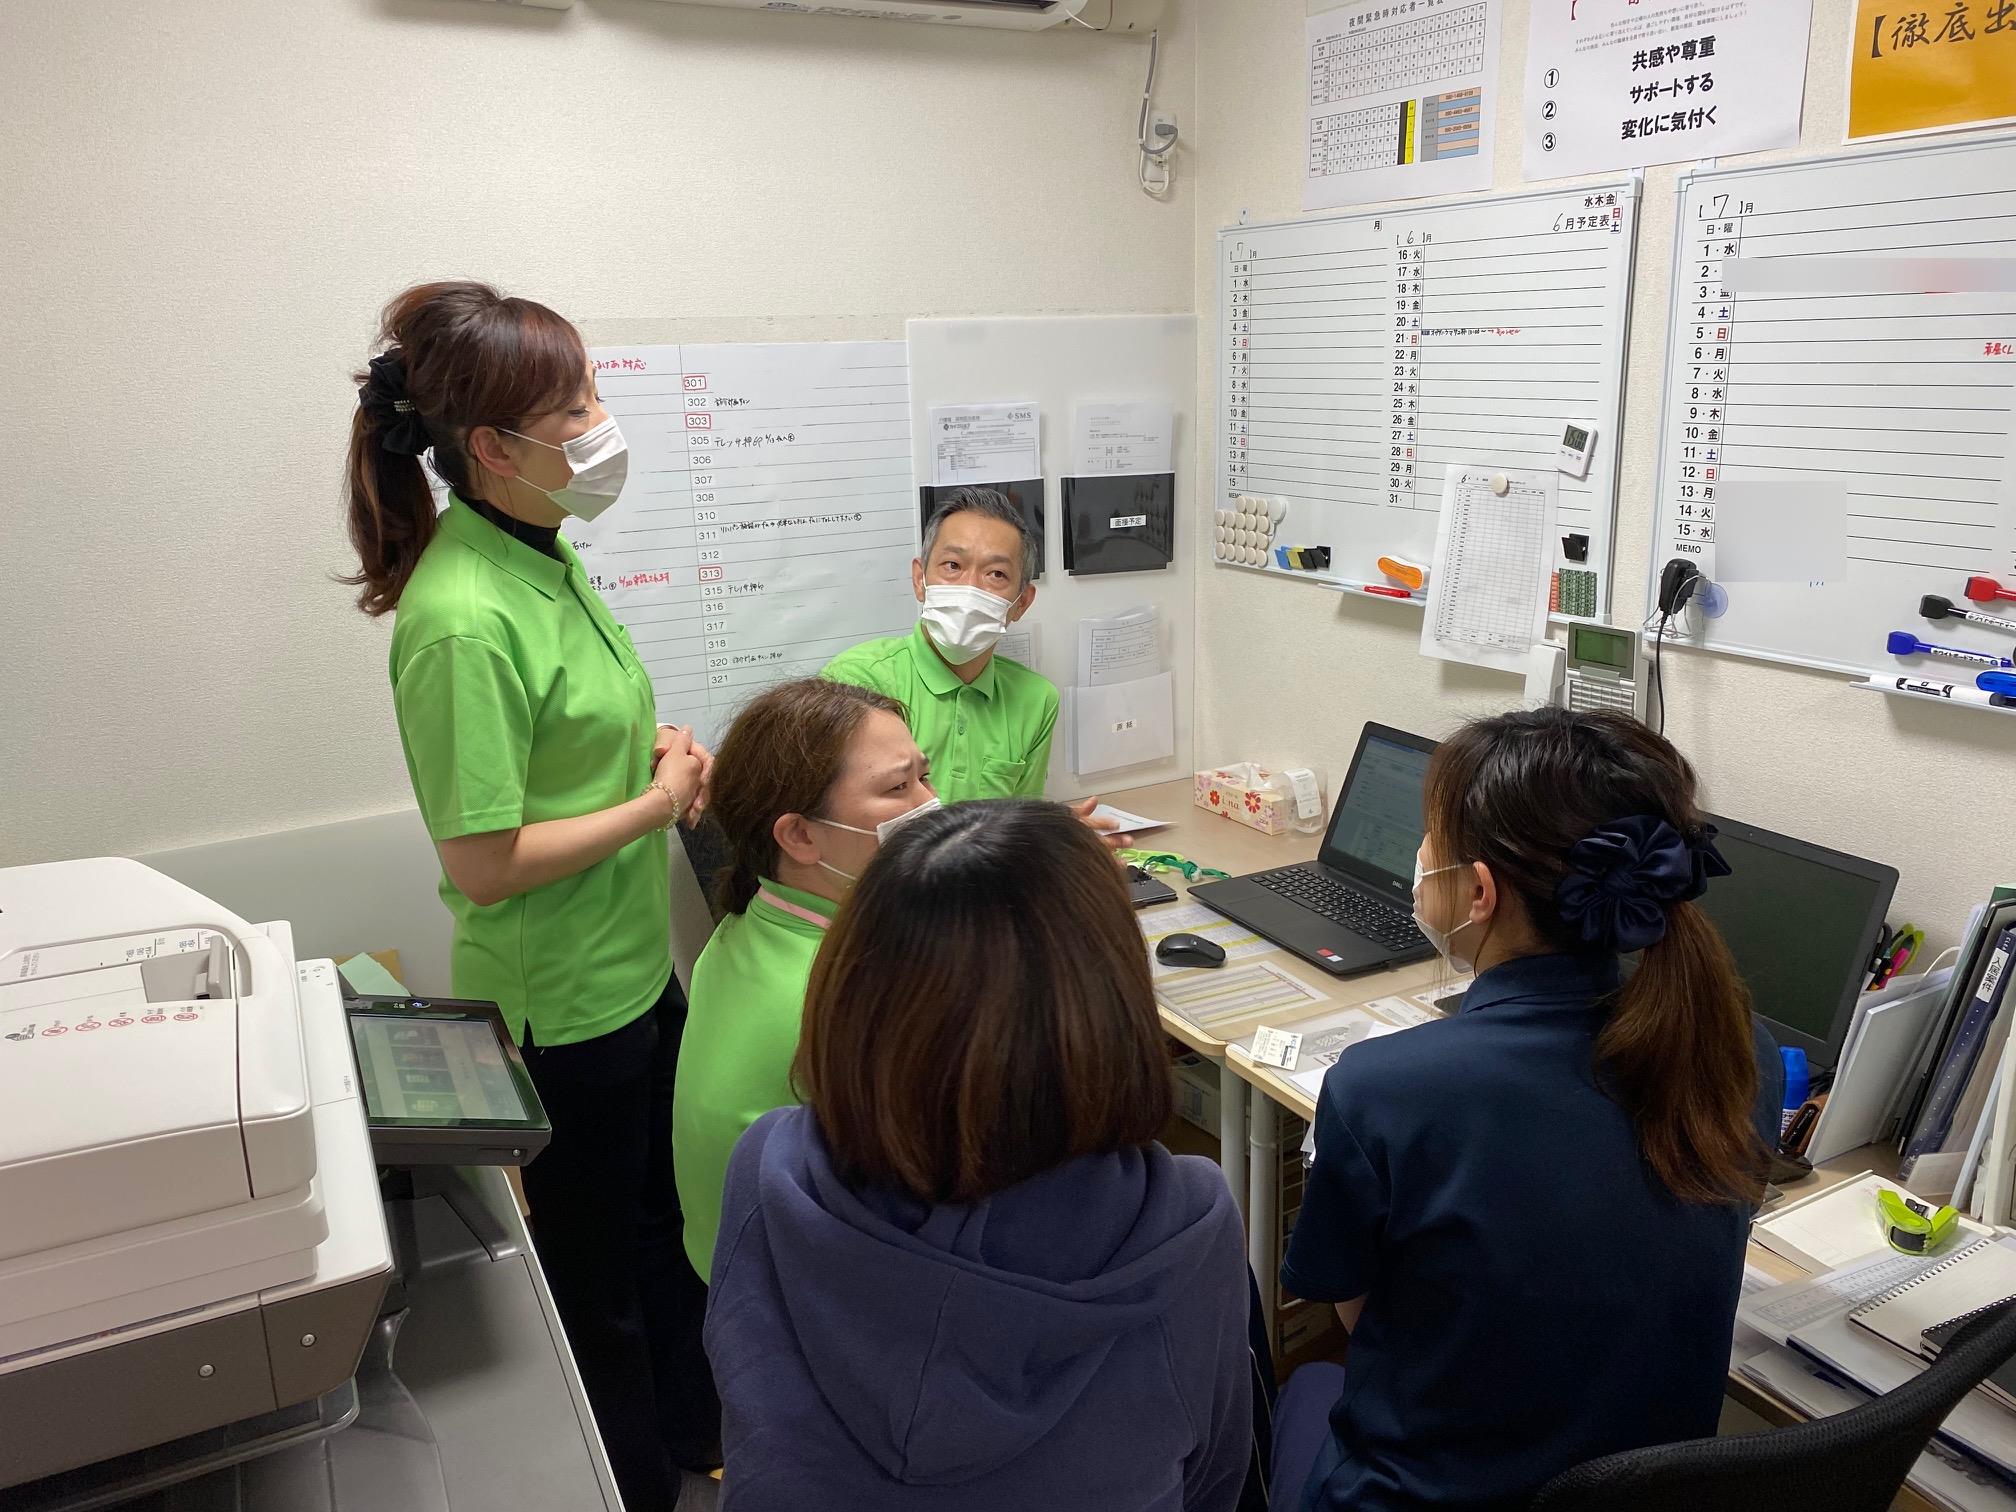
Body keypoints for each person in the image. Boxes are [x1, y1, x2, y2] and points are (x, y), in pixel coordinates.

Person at [344, 280, 717, 1509]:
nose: (602, 424)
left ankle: (698, 1437)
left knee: (666, 1233)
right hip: (564, 1005)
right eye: (574, 411)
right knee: (599, 1282)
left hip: (633, 968)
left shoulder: (541, 554)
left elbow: (559, 747)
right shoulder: (461, 615)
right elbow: (485, 861)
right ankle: (637, 1487)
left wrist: (649, 750)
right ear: (494, 449)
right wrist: (658, 805)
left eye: (593, 392)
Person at [1269, 708, 1784, 1512]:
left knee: (1294, 1397)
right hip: (1631, 1490)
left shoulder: (1384, 1088)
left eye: (1429, 838)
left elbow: (1357, 1311)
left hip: (1421, 1493)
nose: (1420, 856)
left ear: (1479, 891)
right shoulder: (1739, 1051)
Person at [705, 800, 1253, 1512]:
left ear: (854, 989)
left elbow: (747, 1393)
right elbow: (1216, 1474)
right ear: (1110, 1001)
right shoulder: (1184, 1222)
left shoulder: (772, 1168)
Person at [671, 676, 934, 1280]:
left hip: (726, 1261)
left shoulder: (747, 920)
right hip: (794, 1290)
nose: (931, 804)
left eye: (925, 776)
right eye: (898, 788)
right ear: (799, 834)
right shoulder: (853, 1000)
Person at [821, 487, 1057, 803]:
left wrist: (1055, 829)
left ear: (1022, 603)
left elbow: (1021, 818)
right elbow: (842, 817)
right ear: (919, 580)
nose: (970, 588)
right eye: (953, 566)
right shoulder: (857, 680)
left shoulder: (1036, 699)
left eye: (996, 574)